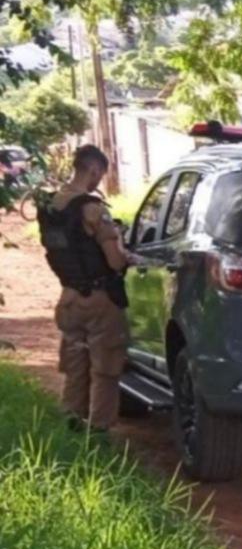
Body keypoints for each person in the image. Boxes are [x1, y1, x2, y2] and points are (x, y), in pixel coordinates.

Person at [41, 144, 134, 431]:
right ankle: (98, 433)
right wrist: (126, 253)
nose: (98, 181)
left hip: (68, 297)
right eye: (100, 175)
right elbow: (115, 261)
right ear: (93, 170)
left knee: (75, 367)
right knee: (105, 370)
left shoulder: (51, 207)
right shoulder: (92, 209)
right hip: (100, 301)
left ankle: (70, 424)